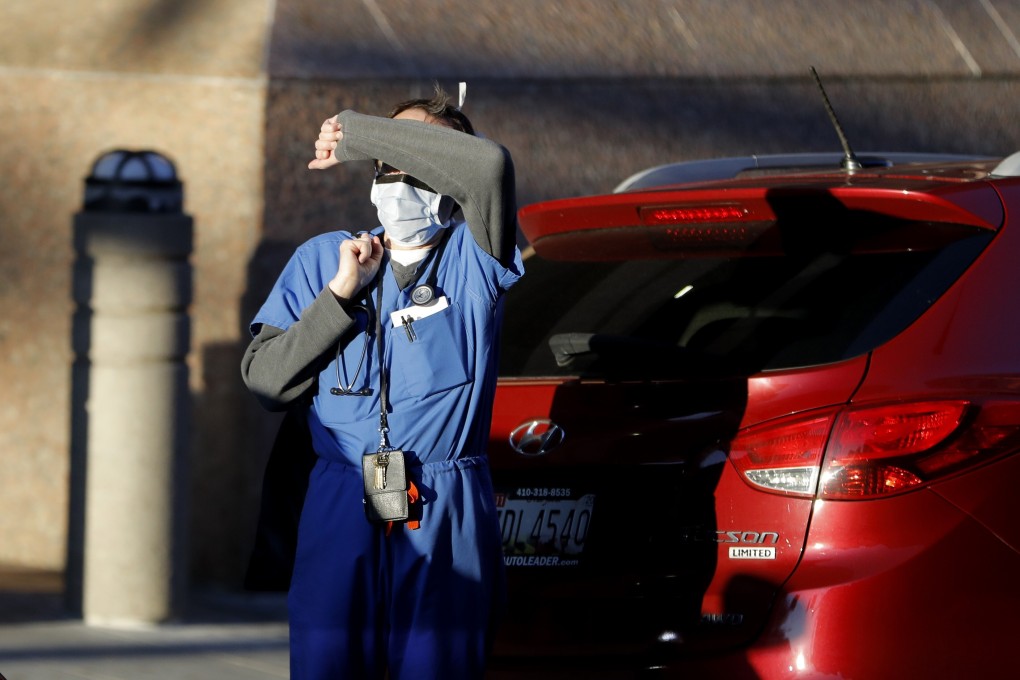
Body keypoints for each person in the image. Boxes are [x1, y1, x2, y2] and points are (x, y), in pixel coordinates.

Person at [241, 85, 523, 680]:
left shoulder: (475, 254)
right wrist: (340, 297)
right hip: (339, 496)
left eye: (418, 158)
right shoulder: (324, 258)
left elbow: (490, 165)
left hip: (443, 504)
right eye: (386, 161)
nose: (398, 176)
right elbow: (266, 382)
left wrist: (356, 129)